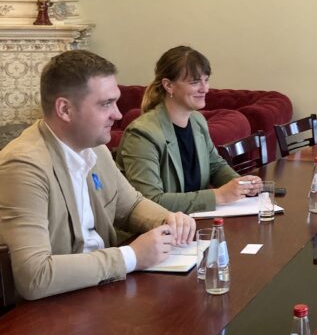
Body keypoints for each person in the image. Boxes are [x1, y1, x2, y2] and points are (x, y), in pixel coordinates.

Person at [0, 50, 195, 301]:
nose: (118, 114)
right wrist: (132, 256)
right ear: (65, 109)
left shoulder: (95, 148)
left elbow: (131, 205)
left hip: (101, 289)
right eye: (105, 104)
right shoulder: (24, 166)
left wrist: (169, 220)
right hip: (52, 312)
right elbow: (35, 276)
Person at [117, 45, 260, 214]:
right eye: (194, 82)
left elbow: (215, 165)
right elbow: (150, 201)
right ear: (168, 85)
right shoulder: (142, 134)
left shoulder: (197, 120)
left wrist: (240, 184)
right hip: (156, 232)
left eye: (206, 80)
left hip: (192, 223)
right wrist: (218, 196)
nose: (205, 89)